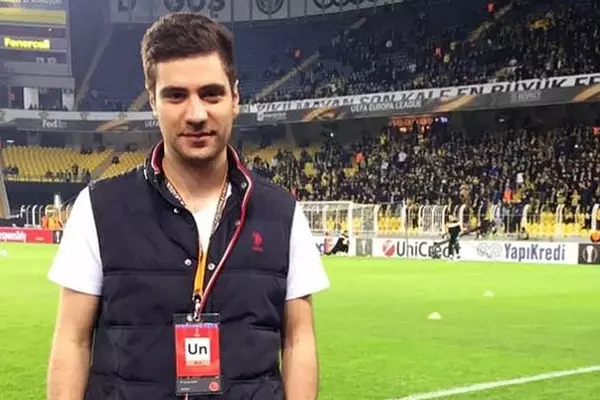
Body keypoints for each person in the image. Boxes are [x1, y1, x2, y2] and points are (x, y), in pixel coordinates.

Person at [46, 12, 330, 400]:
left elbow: (298, 341)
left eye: (211, 94)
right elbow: (73, 341)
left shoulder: (282, 213)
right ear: (153, 101)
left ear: (235, 98)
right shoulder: (98, 208)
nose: (196, 114)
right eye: (176, 95)